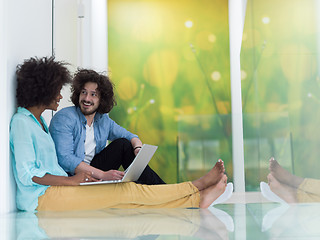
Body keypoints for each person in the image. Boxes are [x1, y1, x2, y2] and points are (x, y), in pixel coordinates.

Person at [10, 56, 228, 212]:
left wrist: (136, 146)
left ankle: (194, 196)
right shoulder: (24, 122)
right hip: (41, 197)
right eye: (56, 90)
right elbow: (28, 174)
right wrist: (76, 181)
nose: (60, 96)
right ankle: (196, 190)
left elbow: (127, 135)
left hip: (58, 188)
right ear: (42, 90)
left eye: (93, 94)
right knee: (128, 193)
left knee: (128, 189)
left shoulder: (38, 122)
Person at [49, 69, 165, 185]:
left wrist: (137, 148)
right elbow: (65, 159)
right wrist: (103, 175)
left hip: (94, 170)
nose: (87, 99)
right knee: (123, 145)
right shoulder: (65, 118)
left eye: (93, 94)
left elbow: (130, 136)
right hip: (74, 176)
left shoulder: (102, 119)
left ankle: (158, 188)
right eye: (84, 92)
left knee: (123, 144)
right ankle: (161, 189)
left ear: (102, 99)